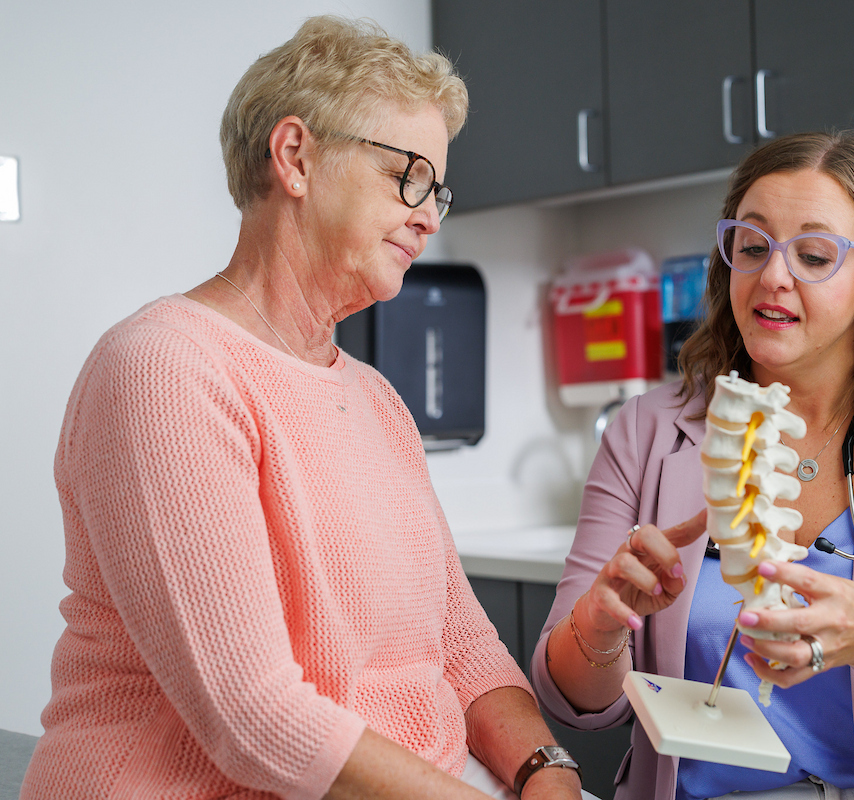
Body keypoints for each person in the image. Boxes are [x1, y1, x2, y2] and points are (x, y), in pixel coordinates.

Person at [22, 17, 582, 800]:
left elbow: (462, 646)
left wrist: (545, 774)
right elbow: (255, 719)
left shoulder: (377, 398)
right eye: (408, 176)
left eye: (439, 191)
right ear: (296, 156)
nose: (429, 215)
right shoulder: (165, 369)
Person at [531, 131, 854, 800]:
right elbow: (571, 702)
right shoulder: (645, 433)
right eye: (752, 246)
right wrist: (598, 626)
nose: (774, 275)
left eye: (813, 254)